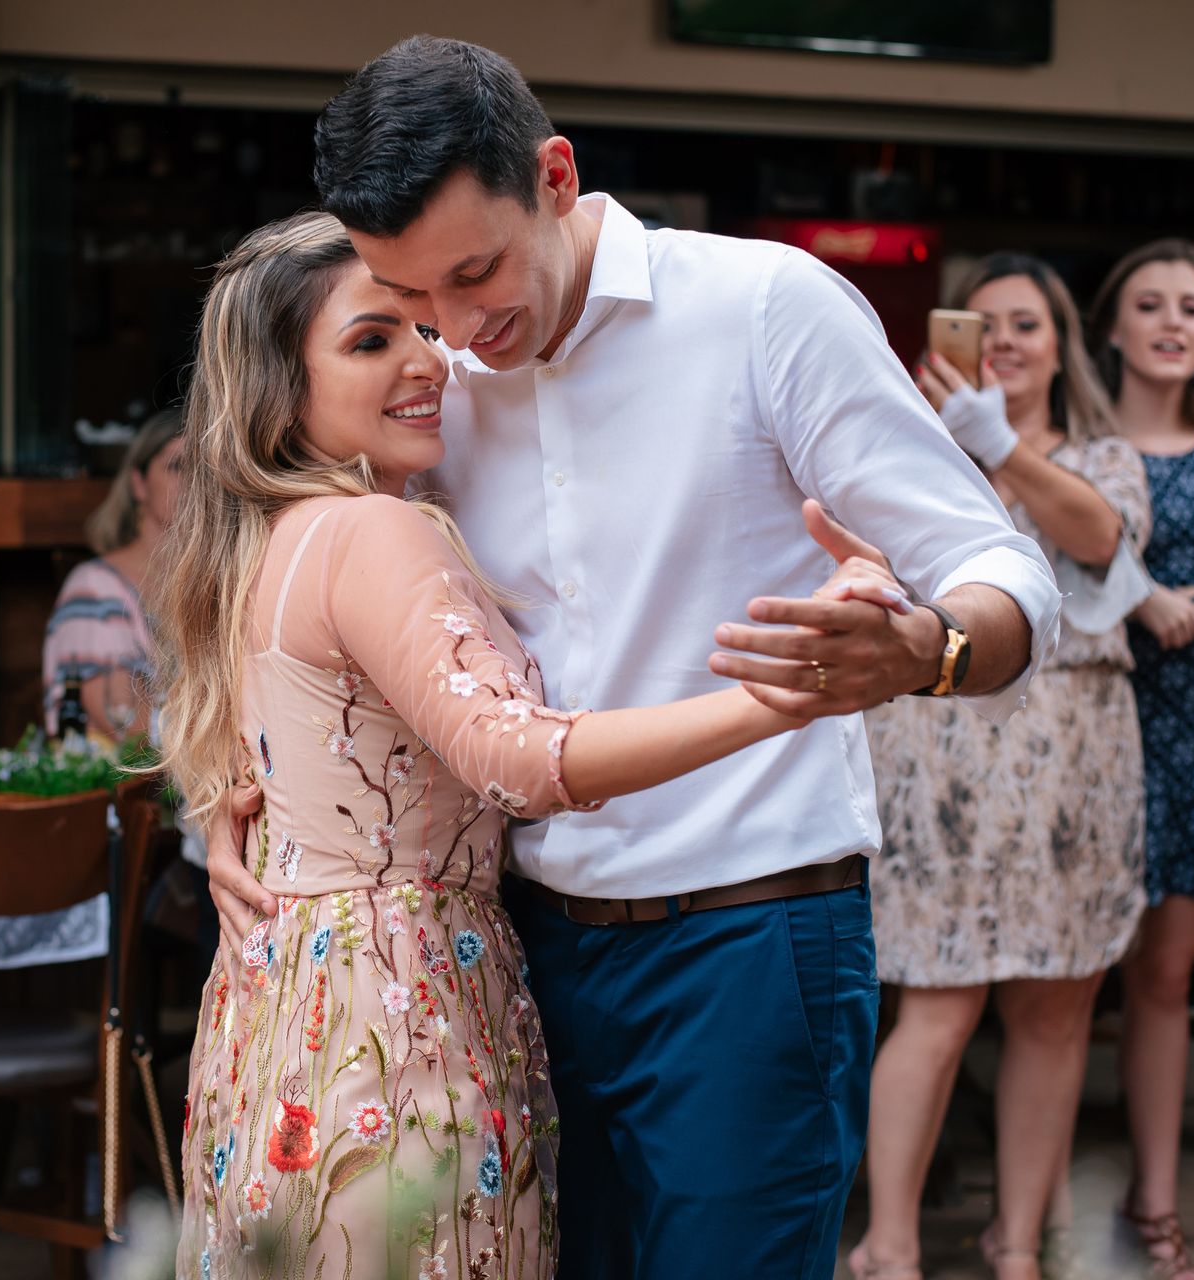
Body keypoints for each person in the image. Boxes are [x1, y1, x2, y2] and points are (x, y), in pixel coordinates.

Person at [205, 37, 1060, 1280]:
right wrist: (243, 803)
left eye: (475, 272)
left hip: (750, 939)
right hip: (516, 956)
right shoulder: (430, 390)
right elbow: (359, 659)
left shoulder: (765, 307)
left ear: (555, 175)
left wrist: (928, 652)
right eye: (410, 295)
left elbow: (1006, 573)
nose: (450, 330)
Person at [161, 208, 860, 1280]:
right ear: (278, 393)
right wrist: (785, 696)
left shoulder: (261, 540)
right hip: (398, 1008)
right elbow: (514, 755)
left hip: (283, 1000)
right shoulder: (373, 528)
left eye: (422, 326)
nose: (425, 359)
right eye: (370, 339)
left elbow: (246, 743)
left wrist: (227, 819)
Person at [850, 254, 1150, 1280]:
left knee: (1059, 1004)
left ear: (1064, 344)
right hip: (946, 750)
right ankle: (888, 1244)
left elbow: (1104, 542)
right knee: (940, 999)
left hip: (1077, 759)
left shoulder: (1105, 458)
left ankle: (1017, 1243)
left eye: (1029, 323)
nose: (1010, 340)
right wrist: (962, 442)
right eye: (988, 324)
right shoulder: (905, 445)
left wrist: (1006, 449)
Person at [1090, 237, 1194, 1280]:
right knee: (1148, 975)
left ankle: (1158, 1198)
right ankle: (1149, 1205)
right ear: (1116, 326)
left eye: (1193, 306)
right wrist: (1143, 601)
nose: (1174, 321)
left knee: (1178, 968)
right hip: (1122, 726)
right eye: (1152, 304)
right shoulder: (1081, 448)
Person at [42, 407, 183, 739]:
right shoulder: (94, 589)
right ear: (138, 483)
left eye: (208, 470)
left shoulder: (218, 582)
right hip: (124, 786)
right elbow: (127, 725)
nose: (196, 482)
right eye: (178, 466)